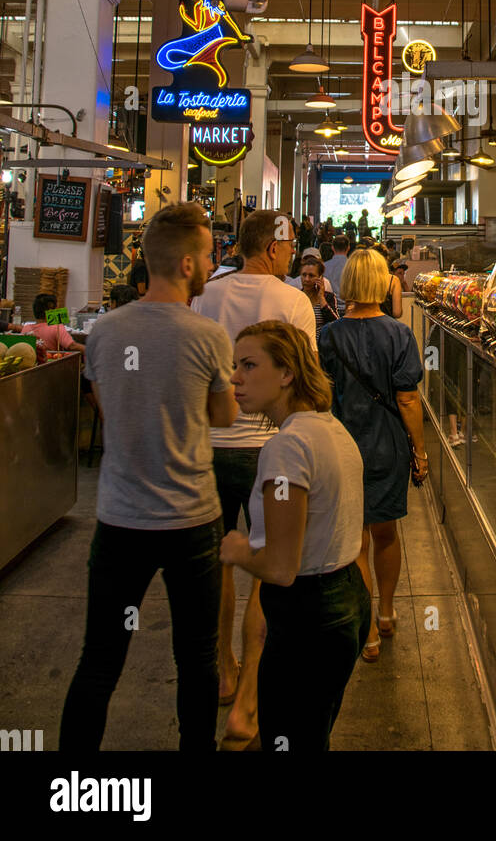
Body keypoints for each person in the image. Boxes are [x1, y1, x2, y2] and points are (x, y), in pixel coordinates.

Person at [59, 203, 238, 752]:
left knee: (100, 659)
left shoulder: (105, 334)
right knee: (197, 660)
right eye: (208, 256)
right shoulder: (208, 336)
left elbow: (110, 412)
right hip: (192, 520)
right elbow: (224, 416)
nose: (212, 264)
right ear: (186, 265)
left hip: (119, 520)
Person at [191, 209, 315, 750]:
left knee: (222, 557)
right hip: (272, 450)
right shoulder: (293, 301)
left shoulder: (208, 296)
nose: (292, 258)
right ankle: (247, 702)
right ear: (271, 247)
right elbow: (306, 379)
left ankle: (222, 668)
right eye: (288, 249)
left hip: (211, 446)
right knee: (269, 567)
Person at [220, 322, 369, 752]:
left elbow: (281, 568)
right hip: (346, 605)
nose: (235, 378)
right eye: (235, 366)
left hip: (309, 622)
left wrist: (238, 550)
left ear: (286, 373)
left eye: (249, 365)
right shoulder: (330, 429)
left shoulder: (286, 448)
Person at [318, 249, 426, 663]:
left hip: (343, 446)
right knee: (386, 533)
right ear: (382, 282)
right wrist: (420, 450)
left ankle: (367, 635)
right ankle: (386, 612)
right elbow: (408, 399)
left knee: (355, 540)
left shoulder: (328, 335)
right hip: (388, 446)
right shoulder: (399, 334)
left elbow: (321, 395)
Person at [298, 257, 340, 333]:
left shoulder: (328, 297)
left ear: (320, 278)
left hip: (320, 343)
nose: (307, 279)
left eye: (311, 276)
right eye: (304, 275)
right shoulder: (296, 297)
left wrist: (322, 299)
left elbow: (335, 324)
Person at [373, 244, 403, 319]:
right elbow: (397, 313)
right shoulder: (393, 280)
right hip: (388, 326)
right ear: (386, 259)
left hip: (366, 326)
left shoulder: (363, 279)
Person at [324, 233, 350, 300]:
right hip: (349, 305)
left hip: (330, 305)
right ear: (348, 248)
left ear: (332, 248)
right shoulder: (354, 266)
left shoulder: (324, 266)